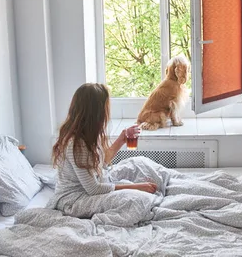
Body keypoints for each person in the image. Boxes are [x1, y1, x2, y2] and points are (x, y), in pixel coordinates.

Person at [47, 83, 158, 222]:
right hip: (75, 200)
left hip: (94, 186)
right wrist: (136, 187)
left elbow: (102, 162)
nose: (107, 113)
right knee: (136, 199)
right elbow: (93, 189)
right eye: (105, 107)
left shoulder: (91, 134)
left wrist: (122, 139)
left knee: (139, 165)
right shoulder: (77, 144)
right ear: (96, 112)